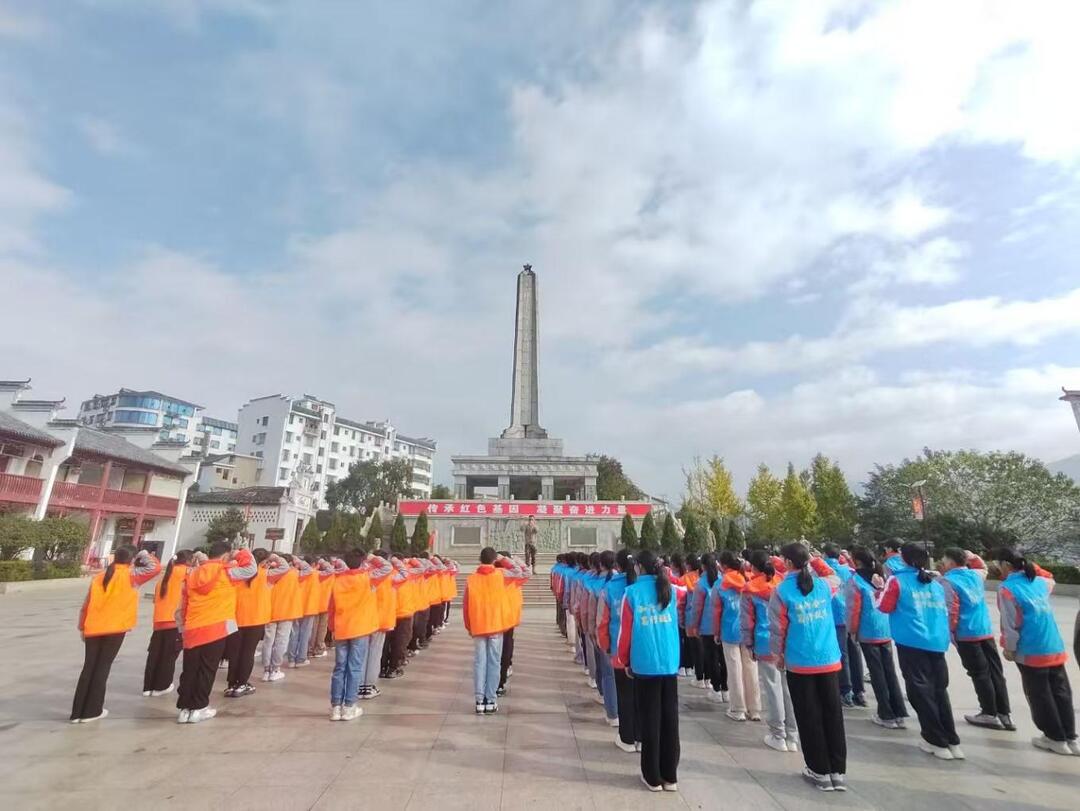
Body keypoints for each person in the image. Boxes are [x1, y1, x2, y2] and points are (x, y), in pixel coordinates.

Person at [874, 543, 962, 761]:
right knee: (939, 691)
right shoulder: (935, 583)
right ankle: (951, 740)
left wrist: (878, 588)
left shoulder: (897, 581)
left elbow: (883, 606)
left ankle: (935, 740)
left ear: (904, 558)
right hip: (935, 641)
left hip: (912, 642)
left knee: (920, 692)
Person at [770, 543, 847, 792]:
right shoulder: (824, 586)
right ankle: (837, 771)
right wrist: (815, 559)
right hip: (828, 659)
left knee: (809, 716)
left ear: (789, 563)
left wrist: (778, 656)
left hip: (800, 661)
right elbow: (835, 576)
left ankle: (819, 769)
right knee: (832, 714)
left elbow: (778, 630)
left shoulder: (782, 591)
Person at [995, 547, 1078, 756]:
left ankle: (1054, 738)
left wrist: (1009, 648)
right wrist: (1029, 566)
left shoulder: (1007, 589)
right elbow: (1049, 576)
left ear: (1005, 565)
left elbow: (1010, 623)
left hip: (1031, 650)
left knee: (1040, 695)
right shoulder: (1040, 583)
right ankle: (1070, 737)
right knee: (1061, 693)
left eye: (998, 564)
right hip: (1053, 646)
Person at [613, 549, 681, 793]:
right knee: (670, 719)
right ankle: (670, 776)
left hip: (645, 664)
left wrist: (623, 660)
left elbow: (625, 634)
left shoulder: (631, 593)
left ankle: (652, 777)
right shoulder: (671, 590)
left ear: (639, 567)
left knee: (650, 720)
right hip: (669, 663)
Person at [72, 547, 161, 723]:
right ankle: (92, 711)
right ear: (131, 559)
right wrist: (143, 553)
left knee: (89, 668)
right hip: (114, 628)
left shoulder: (99, 577)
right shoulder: (131, 575)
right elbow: (155, 567)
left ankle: (77, 713)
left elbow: (87, 603)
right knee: (102, 668)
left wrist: (82, 626)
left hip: (93, 628)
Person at [175, 543, 257, 723]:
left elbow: (184, 601)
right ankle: (199, 707)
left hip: (193, 627)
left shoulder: (192, 573)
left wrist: (182, 627)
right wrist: (240, 552)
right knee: (206, 670)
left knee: (190, 670)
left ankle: (185, 709)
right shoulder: (226, 572)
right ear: (225, 556)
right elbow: (251, 568)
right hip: (215, 628)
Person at [939, 548, 1013, 730]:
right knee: (995, 672)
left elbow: (951, 611)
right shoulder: (976, 575)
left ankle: (989, 712)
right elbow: (981, 566)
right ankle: (1004, 713)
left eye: (944, 560)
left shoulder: (948, 581)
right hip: (985, 630)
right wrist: (971, 556)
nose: (942, 563)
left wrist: (951, 635)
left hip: (967, 633)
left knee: (979, 673)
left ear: (950, 563)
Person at [846, 547, 908, 730]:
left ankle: (886, 714)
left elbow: (853, 610)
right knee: (889, 672)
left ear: (856, 561)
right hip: (885, 629)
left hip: (868, 630)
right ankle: (899, 713)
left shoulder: (856, 581)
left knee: (877, 673)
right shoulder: (882, 577)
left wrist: (852, 631)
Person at [742, 549, 797, 752]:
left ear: (752, 567)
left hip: (765, 642)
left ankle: (778, 734)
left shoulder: (750, 588)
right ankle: (792, 735)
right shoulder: (782, 584)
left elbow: (747, 621)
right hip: (786, 642)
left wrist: (749, 644)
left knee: (773, 689)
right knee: (788, 689)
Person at [327, 549, 392, 720]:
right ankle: (349, 706)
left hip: (342, 628)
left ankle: (335, 707)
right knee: (354, 667)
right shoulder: (367, 578)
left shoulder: (339, 579)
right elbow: (387, 567)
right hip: (360, 628)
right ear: (362, 561)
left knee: (340, 668)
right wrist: (371, 557)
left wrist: (332, 627)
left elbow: (331, 606)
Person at [463, 547, 518, 714]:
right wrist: (505, 560)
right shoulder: (501, 576)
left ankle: (479, 701)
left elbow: (466, 606)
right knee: (494, 662)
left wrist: (469, 626)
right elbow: (523, 571)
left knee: (480, 663)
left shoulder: (471, 579)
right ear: (495, 560)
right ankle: (491, 700)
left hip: (479, 626)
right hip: (495, 625)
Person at [599, 549, 639, 753]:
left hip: (618, 648)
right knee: (641, 695)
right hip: (642, 651)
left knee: (624, 694)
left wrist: (605, 644)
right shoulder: (642, 587)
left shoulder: (610, 588)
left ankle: (627, 738)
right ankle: (641, 738)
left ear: (617, 565)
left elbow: (603, 622)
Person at [714, 550, 759, 721]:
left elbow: (717, 611)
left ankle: (738, 708)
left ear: (724, 566)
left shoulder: (721, 584)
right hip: (748, 630)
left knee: (734, 669)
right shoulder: (749, 580)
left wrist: (716, 632)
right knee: (751, 668)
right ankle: (754, 709)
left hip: (729, 631)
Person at [224, 547, 272, 698]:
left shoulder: (236, 573)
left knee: (235, 652)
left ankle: (232, 684)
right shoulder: (265, 574)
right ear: (263, 561)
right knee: (247, 652)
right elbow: (283, 567)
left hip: (235, 618)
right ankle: (242, 683)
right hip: (255, 619)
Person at [822, 544, 866, 708]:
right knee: (855, 654)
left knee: (842, 655)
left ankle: (845, 691)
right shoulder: (849, 571)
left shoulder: (824, 573)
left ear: (826, 555)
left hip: (835, 618)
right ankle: (859, 691)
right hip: (849, 615)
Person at [143, 549, 191, 696]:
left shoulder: (165, 576)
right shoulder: (187, 574)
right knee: (169, 656)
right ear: (189, 561)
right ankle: (162, 686)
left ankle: (148, 687)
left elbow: (155, 600)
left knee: (155, 655)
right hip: (175, 621)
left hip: (159, 621)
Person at [687, 552, 727, 701]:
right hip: (722, 626)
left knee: (711, 658)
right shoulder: (723, 581)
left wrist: (694, 625)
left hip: (706, 626)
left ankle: (716, 689)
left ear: (702, 566)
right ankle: (725, 688)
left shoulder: (701, 584)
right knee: (723, 659)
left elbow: (696, 608)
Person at [361, 548, 397, 699]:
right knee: (374, 654)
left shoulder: (365, 574)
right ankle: (368, 686)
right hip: (379, 619)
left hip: (364, 619)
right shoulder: (388, 574)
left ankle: (360, 685)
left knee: (363, 653)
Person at [262, 552, 301, 682]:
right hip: (287, 612)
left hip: (269, 612)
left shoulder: (268, 574)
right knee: (281, 641)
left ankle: (266, 670)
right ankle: (275, 669)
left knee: (268, 642)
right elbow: (306, 569)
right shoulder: (294, 574)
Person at [497, 550, 528, 697]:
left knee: (494, 653)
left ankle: (493, 683)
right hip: (508, 618)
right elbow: (526, 572)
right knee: (506, 648)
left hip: (493, 619)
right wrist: (513, 560)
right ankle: (501, 678)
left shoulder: (494, 575)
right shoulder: (510, 576)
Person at [286, 555, 320, 668]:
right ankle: (301, 658)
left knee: (294, 633)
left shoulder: (295, 574)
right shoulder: (315, 573)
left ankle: (291, 659)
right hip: (309, 607)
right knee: (305, 634)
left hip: (297, 606)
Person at [308, 552, 335, 660]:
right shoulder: (330, 575)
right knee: (322, 628)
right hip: (326, 604)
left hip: (314, 603)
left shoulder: (314, 574)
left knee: (313, 628)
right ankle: (319, 648)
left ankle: (310, 648)